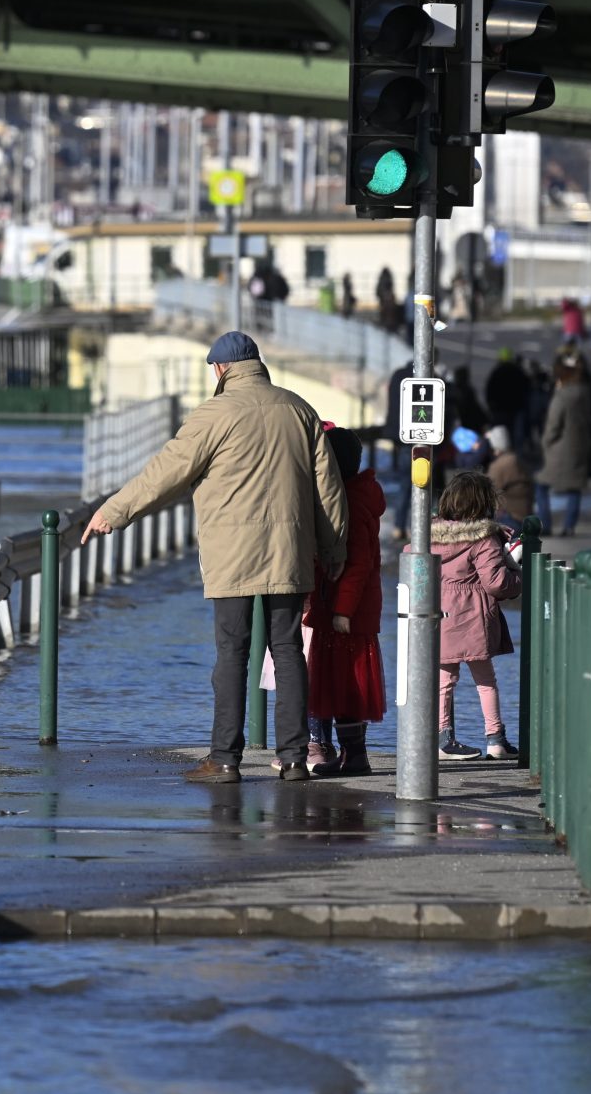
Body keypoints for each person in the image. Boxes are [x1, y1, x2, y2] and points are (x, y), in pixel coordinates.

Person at [82, 331, 347, 784]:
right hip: (290, 551)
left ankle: (225, 759)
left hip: (232, 554)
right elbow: (329, 490)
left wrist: (114, 511)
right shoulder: (299, 410)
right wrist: (333, 549)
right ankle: (295, 758)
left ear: (220, 369)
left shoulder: (214, 414)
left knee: (232, 653)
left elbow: (165, 472)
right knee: (287, 650)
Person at [417, 471, 522, 760]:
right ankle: (496, 739)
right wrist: (520, 578)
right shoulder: (483, 539)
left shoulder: (429, 534)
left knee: (444, 680)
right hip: (474, 617)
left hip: (438, 614)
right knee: (486, 681)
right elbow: (497, 583)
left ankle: (442, 738)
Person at [304, 426, 386, 777]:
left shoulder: (348, 503)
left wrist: (342, 610)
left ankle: (354, 756)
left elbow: (357, 564)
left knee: (345, 685)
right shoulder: (361, 495)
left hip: (343, 613)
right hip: (346, 608)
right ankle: (352, 754)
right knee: (346, 685)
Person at [538, 353, 591, 536]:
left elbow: (553, 424)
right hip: (580, 445)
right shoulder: (585, 393)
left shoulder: (562, 396)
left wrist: (546, 442)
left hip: (559, 449)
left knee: (542, 486)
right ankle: (569, 526)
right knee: (574, 488)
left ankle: (546, 524)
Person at [484, 426, 534, 528]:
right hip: (525, 514)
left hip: (510, 517)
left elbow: (488, 492)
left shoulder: (499, 466)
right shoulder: (517, 459)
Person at [484, 347, 531, 447]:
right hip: (514, 409)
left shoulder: (496, 372)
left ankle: (499, 450)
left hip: (498, 410)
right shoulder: (517, 371)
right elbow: (526, 388)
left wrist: (491, 406)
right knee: (512, 435)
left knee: (498, 434)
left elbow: (489, 390)